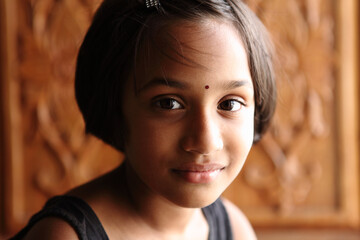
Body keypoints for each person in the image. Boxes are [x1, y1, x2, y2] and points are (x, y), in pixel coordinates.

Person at [12, 0, 276, 239]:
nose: (205, 142)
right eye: (168, 103)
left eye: (229, 104)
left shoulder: (233, 229)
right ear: (115, 107)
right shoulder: (65, 236)